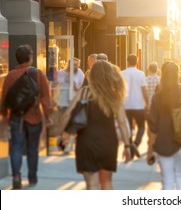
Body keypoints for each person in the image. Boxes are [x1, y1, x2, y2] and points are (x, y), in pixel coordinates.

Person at [61, 60, 132, 190]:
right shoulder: (114, 95)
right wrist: (127, 146)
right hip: (108, 143)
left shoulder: (84, 92)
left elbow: (67, 114)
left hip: (86, 143)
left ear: (92, 76)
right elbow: (122, 123)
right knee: (107, 183)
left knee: (91, 185)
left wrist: (64, 134)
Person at [0, 45, 53, 189]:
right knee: (32, 148)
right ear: (30, 57)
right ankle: (32, 177)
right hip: (35, 116)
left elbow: (5, 97)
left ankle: (16, 176)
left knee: (16, 147)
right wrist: (48, 115)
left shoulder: (10, 75)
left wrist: (4, 115)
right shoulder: (38, 74)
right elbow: (46, 97)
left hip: (17, 117)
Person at [147, 62, 181, 190]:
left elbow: (153, 127)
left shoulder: (157, 97)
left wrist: (150, 149)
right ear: (177, 74)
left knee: (167, 180)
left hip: (163, 143)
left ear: (162, 74)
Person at [121, 54, 148, 148]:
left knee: (127, 128)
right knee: (141, 126)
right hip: (138, 105)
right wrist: (148, 103)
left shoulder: (122, 73)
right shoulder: (141, 74)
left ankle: (128, 146)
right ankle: (136, 144)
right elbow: (144, 90)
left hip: (126, 105)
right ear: (137, 62)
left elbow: (119, 90)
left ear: (127, 61)